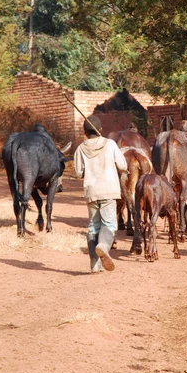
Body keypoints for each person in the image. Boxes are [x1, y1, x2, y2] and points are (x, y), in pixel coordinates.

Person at [74, 115, 128, 273]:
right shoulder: (110, 144)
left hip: (91, 191)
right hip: (108, 190)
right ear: (100, 130)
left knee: (93, 227)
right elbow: (122, 165)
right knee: (109, 224)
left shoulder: (80, 149)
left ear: (85, 132)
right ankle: (104, 246)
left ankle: (95, 264)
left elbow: (78, 173)